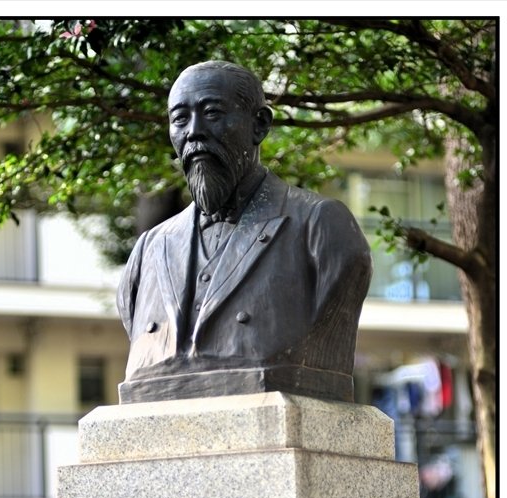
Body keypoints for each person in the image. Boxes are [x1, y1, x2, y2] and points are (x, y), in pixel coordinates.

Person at [116, 60, 373, 404]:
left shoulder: (320, 226)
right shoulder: (149, 249)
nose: (194, 131)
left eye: (212, 113)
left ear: (259, 125)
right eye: (180, 119)